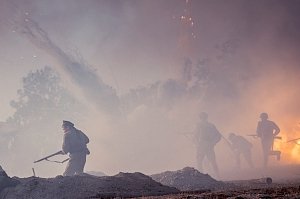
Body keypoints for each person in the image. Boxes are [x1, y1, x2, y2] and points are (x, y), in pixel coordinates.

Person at [194, 112, 221, 177]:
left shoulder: (199, 125)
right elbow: (218, 136)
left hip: (202, 145)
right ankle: (218, 176)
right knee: (213, 161)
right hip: (209, 145)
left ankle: (201, 177)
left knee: (199, 161)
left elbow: (195, 136)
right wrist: (213, 143)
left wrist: (196, 143)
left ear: (200, 117)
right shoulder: (211, 125)